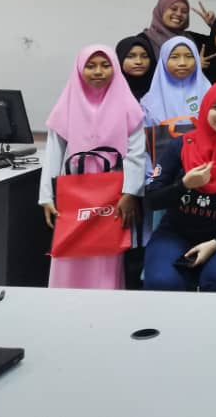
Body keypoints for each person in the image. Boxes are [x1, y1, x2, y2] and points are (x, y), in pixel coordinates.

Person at [39, 45, 146, 289]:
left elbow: (136, 154)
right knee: (69, 250)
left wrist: (130, 193)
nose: (98, 71)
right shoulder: (67, 104)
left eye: (105, 65)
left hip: (112, 193)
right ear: (79, 69)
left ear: (115, 68)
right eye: (91, 66)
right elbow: (54, 152)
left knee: (106, 251)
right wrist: (47, 196)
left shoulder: (128, 106)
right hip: (74, 190)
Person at [143, 80, 216, 292]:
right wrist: (184, 185)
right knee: (163, 282)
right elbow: (152, 200)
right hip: (176, 232)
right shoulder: (181, 145)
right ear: (205, 108)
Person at [140, 35, 211, 125]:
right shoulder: (148, 102)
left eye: (189, 56)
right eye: (174, 57)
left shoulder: (210, 93)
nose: (182, 63)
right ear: (163, 61)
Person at [115, 33, 156, 101]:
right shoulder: (111, 90)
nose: (139, 62)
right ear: (119, 59)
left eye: (144, 56)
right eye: (130, 56)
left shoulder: (159, 89)